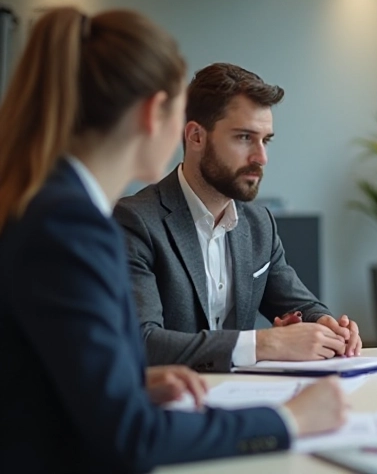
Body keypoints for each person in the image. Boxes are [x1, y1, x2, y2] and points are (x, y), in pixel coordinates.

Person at [0, 7, 346, 472]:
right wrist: (287, 420)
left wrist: (132, 385)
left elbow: (45, 373)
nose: (261, 157)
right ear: (155, 115)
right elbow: (132, 436)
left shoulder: (54, 207)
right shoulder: (73, 227)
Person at [114, 62, 361, 373]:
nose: (261, 157)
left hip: (243, 398)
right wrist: (265, 344)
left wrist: (325, 326)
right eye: (245, 137)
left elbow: (301, 305)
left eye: (265, 140)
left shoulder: (260, 225)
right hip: (169, 407)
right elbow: (143, 342)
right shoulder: (135, 221)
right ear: (196, 137)